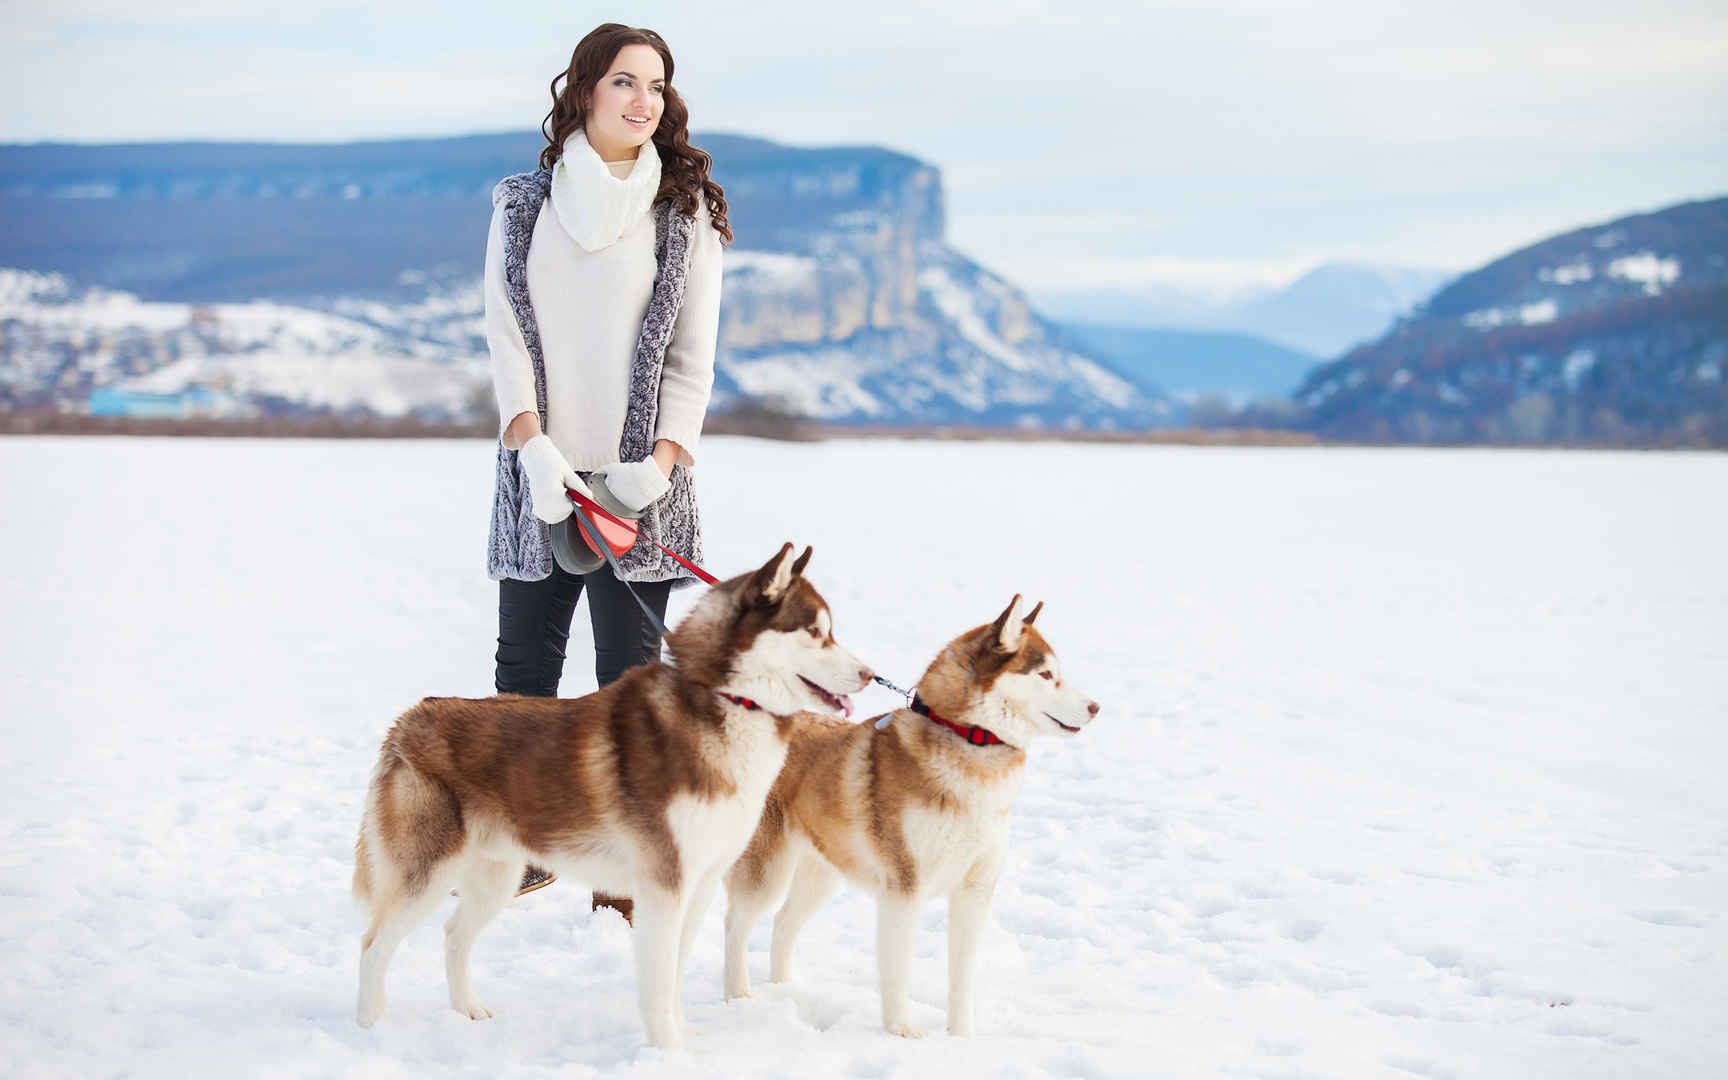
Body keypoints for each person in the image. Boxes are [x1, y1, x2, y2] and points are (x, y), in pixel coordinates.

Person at [482, 23, 731, 918]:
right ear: (584, 88)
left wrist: (658, 466)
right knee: (522, 679)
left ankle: (627, 878)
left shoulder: (683, 211)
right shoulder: (521, 203)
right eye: (624, 81)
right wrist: (531, 448)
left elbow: (691, 359)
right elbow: (506, 336)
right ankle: (527, 851)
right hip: (541, 476)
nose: (642, 101)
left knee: (631, 687)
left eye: (656, 87)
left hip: (643, 489)